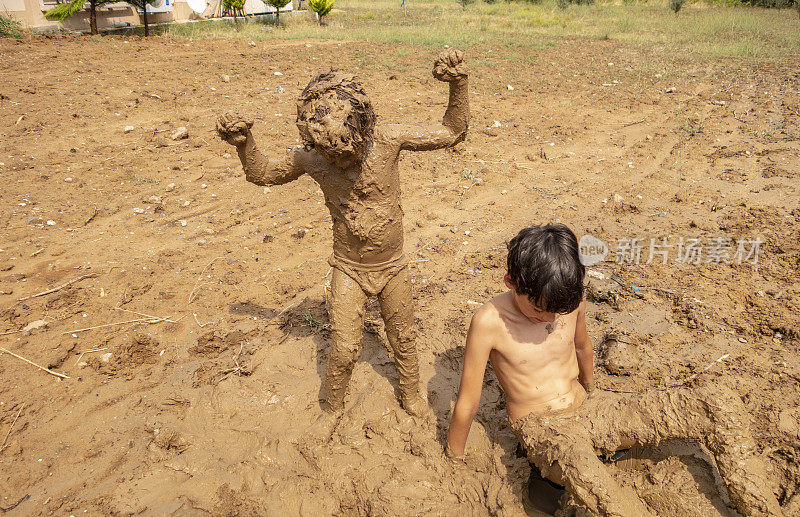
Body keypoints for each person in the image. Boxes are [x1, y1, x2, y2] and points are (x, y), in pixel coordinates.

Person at [446, 224, 783, 516]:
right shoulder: (489, 322)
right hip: (545, 430)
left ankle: (762, 507)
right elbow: (468, 401)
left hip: (590, 411)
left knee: (716, 404)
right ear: (510, 281)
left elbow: (582, 347)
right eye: (538, 310)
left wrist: (593, 391)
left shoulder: (568, 298)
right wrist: (454, 458)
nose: (549, 320)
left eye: (557, 312)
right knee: (587, 472)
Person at [216, 49, 469, 417]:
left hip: (393, 266)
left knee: (403, 339)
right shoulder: (312, 156)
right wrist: (245, 145)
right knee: (345, 347)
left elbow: (451, 131)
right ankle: (333, 406)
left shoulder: (388, 139)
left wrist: (458, 84)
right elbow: (262, 174)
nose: (340, 160)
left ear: (365, 127)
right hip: (348, 268)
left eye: (348, 153)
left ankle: (411, 394)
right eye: (330, 154)